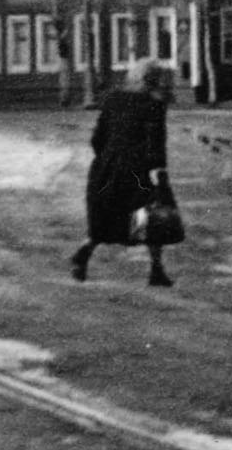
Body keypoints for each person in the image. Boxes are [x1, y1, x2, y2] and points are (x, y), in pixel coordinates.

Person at [70, 58, 177, 288]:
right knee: (149, 217)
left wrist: (108, 159)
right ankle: (156, 270)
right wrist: (159, 172)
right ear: (154, 81)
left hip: (106, 169)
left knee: (106, 217)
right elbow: (156, 143)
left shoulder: (113, 99)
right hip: (137, 172)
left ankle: (84, 252)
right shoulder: (154, 104)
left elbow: (97, 139)